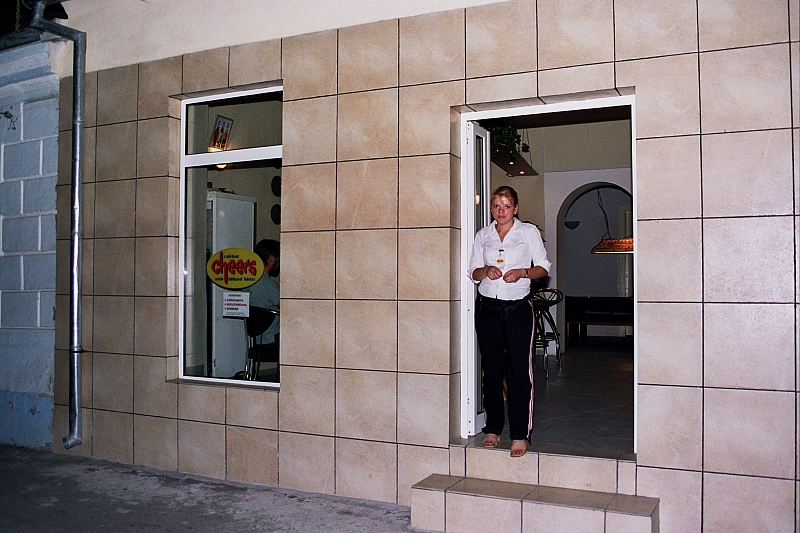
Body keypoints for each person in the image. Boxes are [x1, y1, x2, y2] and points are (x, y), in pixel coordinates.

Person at [467, 186, 551, 458]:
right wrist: (486, 271)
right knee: (491, 370)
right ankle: (492, 428)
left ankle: (519, 434)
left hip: (517, 309)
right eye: (495, 206)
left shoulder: (527, 232)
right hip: (488, 309)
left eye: (505, 206)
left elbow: (543, 267)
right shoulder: (483, 235)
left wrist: (523, 272)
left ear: (515, 208)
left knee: (518, 372)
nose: (500, 211)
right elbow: (473, 271)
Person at [245, 238, 280, 347]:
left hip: (255, 341)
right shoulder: (269, 284)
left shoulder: (247, 281)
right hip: (272, 339)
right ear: (271, 258)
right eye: (278, 257)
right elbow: (288, 310)